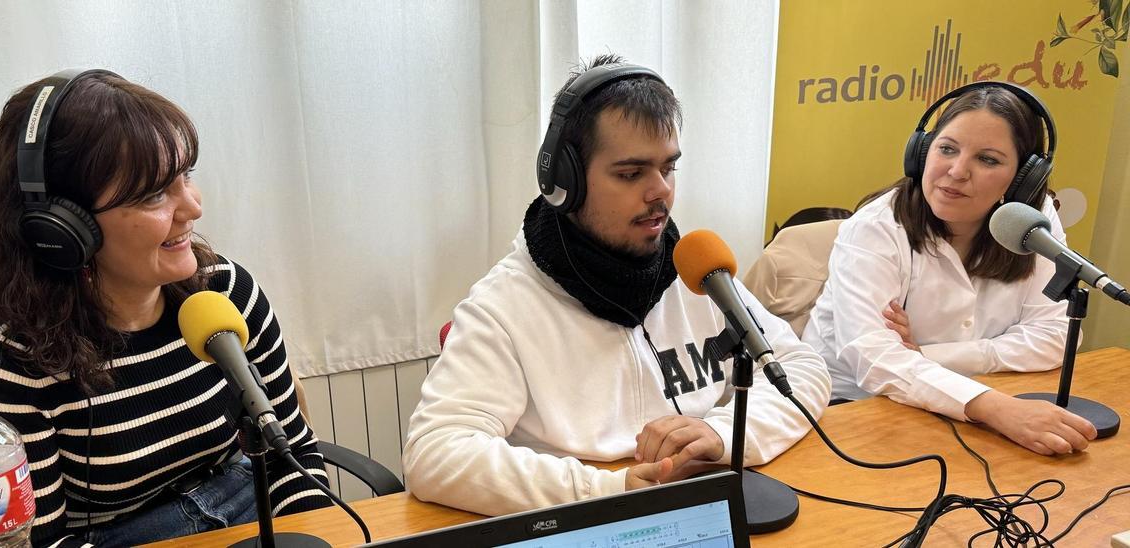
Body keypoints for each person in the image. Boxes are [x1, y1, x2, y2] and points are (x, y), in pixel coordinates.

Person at [402, 55, 831, 516]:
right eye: (630, 174)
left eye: (669, 168)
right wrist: (604, 490)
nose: (660, 191)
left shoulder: (696, 272)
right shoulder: (504, 305)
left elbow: (801, 368)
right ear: (564, 182)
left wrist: (721, 435)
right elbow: (435, 453)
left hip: (697, 511)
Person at [0, 70, 331, 547]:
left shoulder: (226, 292)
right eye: (155, 193)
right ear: (62, 228)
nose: (192, 207)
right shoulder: (11, 354)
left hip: (246, 508)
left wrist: (311, 537)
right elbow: (39, 540)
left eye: (186, 177)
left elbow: (292, 456)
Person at [802, 82, 1098, 456]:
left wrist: (928, 354)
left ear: (1024, 179)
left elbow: (1054, 335)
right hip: (850, 412)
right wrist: (994, 407)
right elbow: (874, 358)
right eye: (947, 149)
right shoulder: (875, 228)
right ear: (921, 153)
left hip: (978, 405)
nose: (957, 171)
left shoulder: (1033, 220)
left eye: (987, 159)